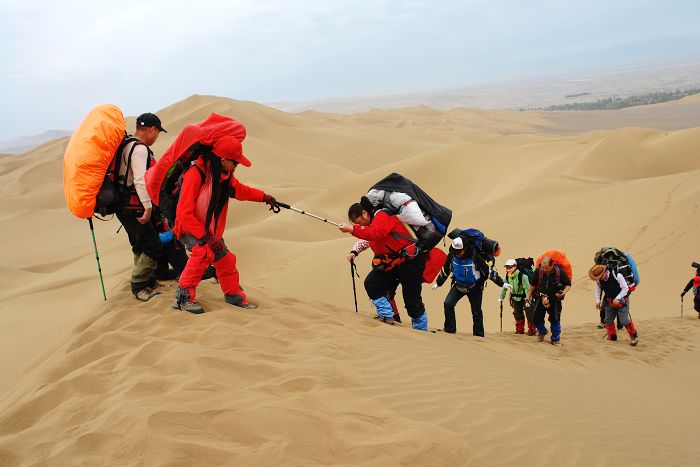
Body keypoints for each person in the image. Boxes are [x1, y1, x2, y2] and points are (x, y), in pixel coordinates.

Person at [171, 138, 279, 314]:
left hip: (209, 230)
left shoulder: (223, 176)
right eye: (234, 162)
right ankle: (183, 298)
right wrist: (206, 237)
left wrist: (264, 197)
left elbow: (240, 190)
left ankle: (233, 296)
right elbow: (184, 213)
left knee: (225, 259)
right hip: (189, 227)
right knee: (203, 252)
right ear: (222, 159)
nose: (237, 165)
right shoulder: (195, 174)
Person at [338, 198, 429, 330]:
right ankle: (387, 316)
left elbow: (376, 233)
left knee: (412, 300)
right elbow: (367, 239)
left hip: (411, 261)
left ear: (364, 213)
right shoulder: (370, 223)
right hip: (391, 262)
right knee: (372, 283)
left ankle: (421, 330)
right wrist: (354, 252)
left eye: (359, 222)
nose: (360, 225)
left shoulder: (382, 215)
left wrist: (352, 229)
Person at [115, 113, 167, 301]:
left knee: (138, 244)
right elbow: (139, 180)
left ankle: (148, 280)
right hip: (134, 204)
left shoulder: (126, 144)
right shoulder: (140, 149)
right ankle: (139, 285)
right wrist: (148, 207)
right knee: (152, 245)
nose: (156, 137)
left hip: (120, 204)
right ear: (152, 129)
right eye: (158, 132)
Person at [432, 236, 503, 337]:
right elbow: (446, 269)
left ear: (464, 248)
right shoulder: (452, 254)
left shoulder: (475, 255)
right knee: (448, 304)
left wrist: (501, 283)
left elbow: (488, 272)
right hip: (458, 286)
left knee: (476, 312)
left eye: (459, 251)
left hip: (475, 288)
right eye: (455, 251)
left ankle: (479, 336)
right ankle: (449, 330)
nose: (457, 254)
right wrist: (438, 283)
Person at [347, 239, 402, 323]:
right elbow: (365, 240)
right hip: (391, 265)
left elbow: (367, 238)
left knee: (372, 284)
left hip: (393, 265)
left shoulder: (383, 229)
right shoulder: (377, 230)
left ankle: (387, 316)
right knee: (387, 292)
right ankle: (393, 316)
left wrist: (354, 251)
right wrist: (354, 252)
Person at [589, 264, 639, 346]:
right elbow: (597, 290)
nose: (598, 279)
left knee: (624, 321)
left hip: (622, 301)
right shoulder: (599, 280)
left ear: (605, 272)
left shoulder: (617, 275)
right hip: (609, 301)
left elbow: (625, 288)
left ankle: (634, 336)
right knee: (608, 320)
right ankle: (612, 336)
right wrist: (598, 301)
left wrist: (618, 298)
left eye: (599, 277)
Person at [526, 256, 570, 345]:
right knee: (534, 316)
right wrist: (528, 296)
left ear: (552, 265)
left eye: (546, 268)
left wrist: (563, 292)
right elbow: (533, 285)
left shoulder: (560, 272)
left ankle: (555, 339)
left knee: (555, 319)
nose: (544, 269)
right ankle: (542, 331)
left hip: (555, 299)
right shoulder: (538, 271)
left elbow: (568, 284)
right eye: (542, 267)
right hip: (540, 297)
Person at [499, 258, 535, 335]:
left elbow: (527, 288)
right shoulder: (507, 277)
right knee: (517, 314)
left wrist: (529, 299)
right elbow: (504, 288)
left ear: (515, 267)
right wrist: (501, 297)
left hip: (525, 298)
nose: (508, 269)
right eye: (507, 267)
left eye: (510, 267)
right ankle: (519, 330)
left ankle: (532, 330)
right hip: (514, 298)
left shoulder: (523, 276)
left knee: (529, 314)